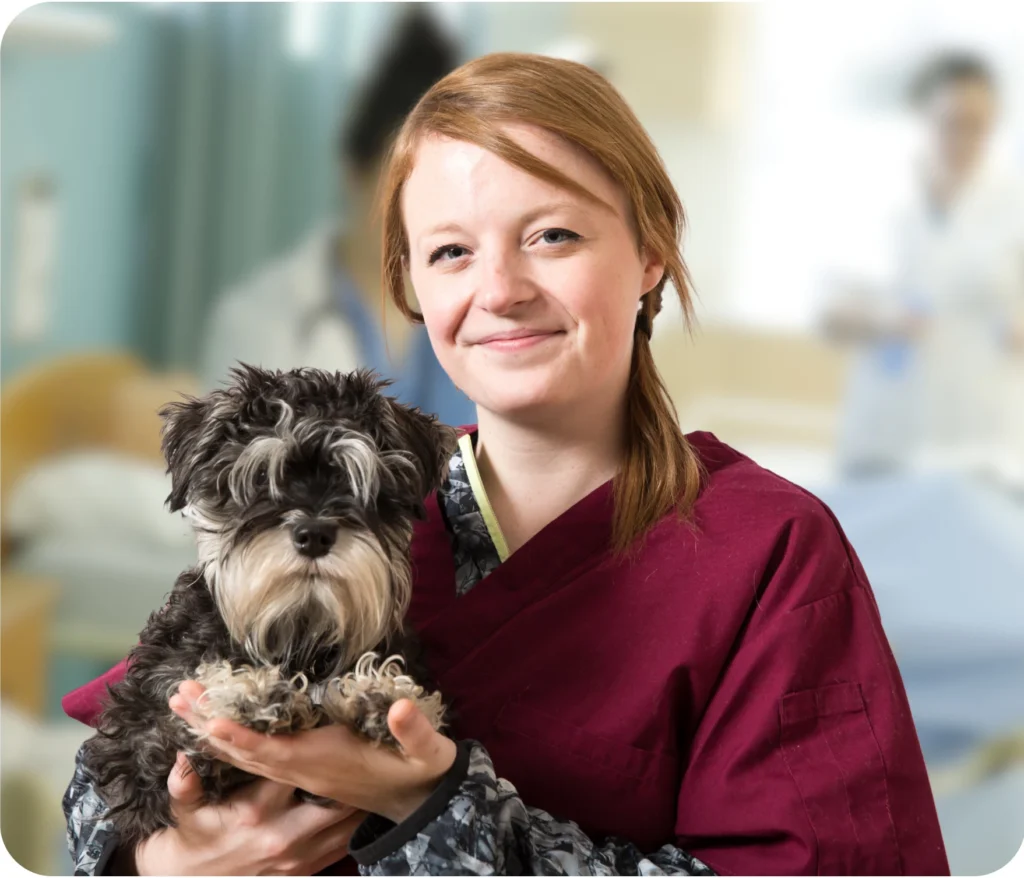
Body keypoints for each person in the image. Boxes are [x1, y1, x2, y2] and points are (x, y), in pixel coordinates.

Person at [61, 53, 949, 876]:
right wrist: (159, 863)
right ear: (414, 287)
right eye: (451, 251)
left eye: (553, 235)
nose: (500, 290)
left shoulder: (770, 552)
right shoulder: (347, 514)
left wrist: (433, 807)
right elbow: (107, 774)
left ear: (650, 255)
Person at [199, 6, 476, 428]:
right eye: (399, 181)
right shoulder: (261, 319)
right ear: (354, 173)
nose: (422, 210)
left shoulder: (483, 305)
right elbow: (231, 483)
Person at [822, 51, 1024, 476]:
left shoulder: (1013, 208)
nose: (964, 138)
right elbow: (830, 313)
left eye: (977, 125)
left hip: (984, 442)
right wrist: (884, 320)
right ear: (924, 117)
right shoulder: (880, 199)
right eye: (952, 122)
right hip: (884, 434)